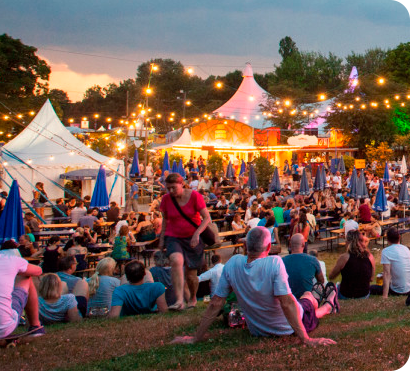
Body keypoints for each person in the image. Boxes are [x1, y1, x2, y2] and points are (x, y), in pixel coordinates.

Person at [172, 227, 337, 346]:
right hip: (288, 327)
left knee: (305, 299)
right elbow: (286, 303)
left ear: (245, 246)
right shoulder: (274, 263)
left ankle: (318, 301)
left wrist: (196, 337)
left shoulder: (233, 264)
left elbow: (216, 303)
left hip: (259, 330)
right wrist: (306, 340)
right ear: (268, 247)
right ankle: (328, 306)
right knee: (308, 298)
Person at [159, 173, 211, 311]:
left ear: (181, 184)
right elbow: (165, 220)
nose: (170, 191)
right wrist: (162, 238)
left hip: (192, 236)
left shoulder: (195, 196)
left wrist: (197, 233)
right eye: (168, 188)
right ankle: (179, 300)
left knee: (191, 275)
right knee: (176, 261)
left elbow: (206, 218)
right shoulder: (166, 199)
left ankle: (192, 298)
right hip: (173, 236)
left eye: (173, 188)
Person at [0, 253, 44, 338]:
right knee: (25, 276)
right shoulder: (9, 259)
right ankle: (36, 327)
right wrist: (16, 270)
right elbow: (38, 271)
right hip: (4, 327)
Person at [329, 230, 375, 299]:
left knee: (334, 286)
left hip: (346, 295)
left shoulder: (344, 257)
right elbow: (371, 278)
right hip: (364, 295)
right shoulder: (370, 256)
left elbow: (331, 276)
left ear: (348, 242)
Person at [370, 227, 410, 298]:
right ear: (399, 237)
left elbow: (387, 274)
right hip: (408, 289)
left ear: (387, 239)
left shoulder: (386, 251)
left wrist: (385, 295)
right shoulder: (406, 249)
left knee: (371, 288)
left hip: (396, 290)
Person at [283, 234, 324, 299]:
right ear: (303, 245)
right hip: (307, 300)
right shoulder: (313, 260)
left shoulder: (282, 261)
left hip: (288, 300)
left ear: (290, 245)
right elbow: (321, 281)